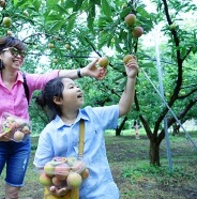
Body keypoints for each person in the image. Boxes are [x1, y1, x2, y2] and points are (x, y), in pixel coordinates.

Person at [0, 36, 107, 199]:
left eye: (21, 52)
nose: (19, 56)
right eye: (14, 51)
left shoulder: (26, 81)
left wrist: (82, 72)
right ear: (0, 54)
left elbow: (51, 76)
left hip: (20, 146)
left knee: (13, 193)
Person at [33, 57, 139, 199]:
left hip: (102, 192)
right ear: (58, 100)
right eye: (71, 87)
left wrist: (131, 78)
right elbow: (41, 167)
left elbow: (123, 108)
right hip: (69, 195)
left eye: (77, 86)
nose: (78, 88)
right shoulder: (49, 133)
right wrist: (55, 186)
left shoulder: (94, 116)